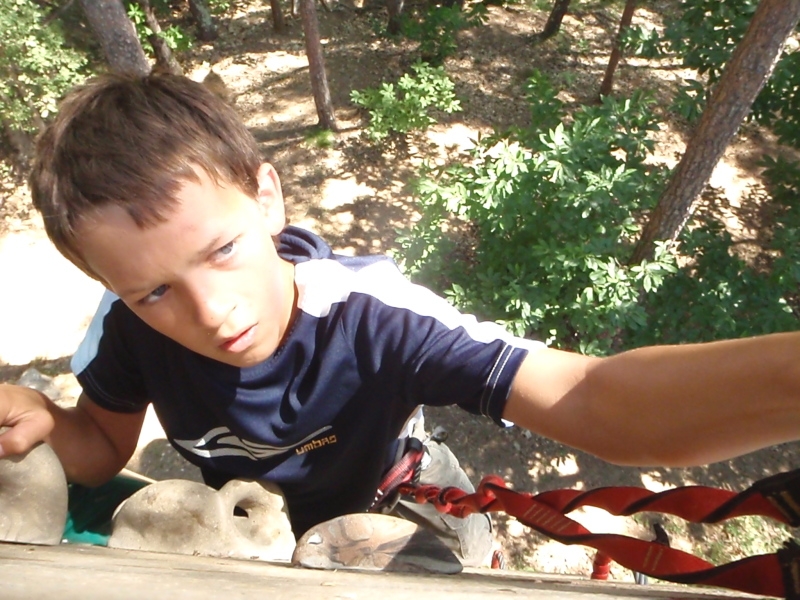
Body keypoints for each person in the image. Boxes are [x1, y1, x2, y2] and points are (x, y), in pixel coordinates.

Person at [1, 72, 799, 566]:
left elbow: (589, 397)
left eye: (221, 251)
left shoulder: (371, 317)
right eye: (152, 292)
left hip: (399, 503)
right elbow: (102, 448)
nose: (214, 313)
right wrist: (39, 419)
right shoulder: (127, 328)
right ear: (113, 285)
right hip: (255, 534)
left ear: (268, 195)